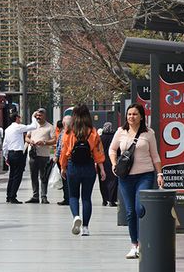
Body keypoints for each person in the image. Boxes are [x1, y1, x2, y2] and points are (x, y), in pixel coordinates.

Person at [109, 103, 163, 259]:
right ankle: (134, 245)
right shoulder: (121, 132)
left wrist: (159, 174)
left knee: (140, 208)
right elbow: (112, 149)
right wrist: (113, 163)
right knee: (131, 212)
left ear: (141, 117)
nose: (131, 117)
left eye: (134, 114)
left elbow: (155, 156)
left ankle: (143, 240)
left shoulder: (149, 133)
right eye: (129, 114)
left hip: (145, 175)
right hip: (125, 177)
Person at [60, 104, 106, 237]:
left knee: (73, 196)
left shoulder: (69, 132)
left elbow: (64, 151)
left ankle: (76, 216)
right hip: (89, 166)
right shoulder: (92, 131)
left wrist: (63, 167)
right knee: (86, 197)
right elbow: (98, 151)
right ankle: (85, 227)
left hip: (73, 166)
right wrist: (102, 169)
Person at [2, 111, 40, 204]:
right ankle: (13, 196)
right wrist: (33, 116)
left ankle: (8, 195)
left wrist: (6, 156)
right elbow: (33, 126)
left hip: (10, 153)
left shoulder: (7, 129)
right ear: (16, 118)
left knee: (12, 175)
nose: (20, 119)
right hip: (18, 154)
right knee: (17, 176)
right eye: (19, 117)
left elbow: (5, 145)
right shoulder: (18, 127)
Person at [24, 108, 56, 204]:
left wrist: (45, 142)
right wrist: (30, 141)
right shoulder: (33, 126)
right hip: (33, 155)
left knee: (43, 176)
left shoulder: (50, 127)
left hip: (44, 155)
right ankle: (35, 196)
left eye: (40, 115)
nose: (38, 117)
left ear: (44, 116)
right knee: (33, 176)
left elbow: (54, 140)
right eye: (37, 115)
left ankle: (43, 196)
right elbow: (26, 137)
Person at [53, 115, 72, 206]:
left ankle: (67, 198)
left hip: (64, 159)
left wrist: (56, 156)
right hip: (73, 160)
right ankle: (71, 197)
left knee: (65, 179)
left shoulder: (63, 133)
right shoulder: (76, 132)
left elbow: (60, 147)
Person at [98, 122, 118, 206]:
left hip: (102, 162)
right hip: (112, 161)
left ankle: (104, 200)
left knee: (103, 181)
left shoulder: (100, 138)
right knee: (113, 181)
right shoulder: (115, 137)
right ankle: (112, 200)